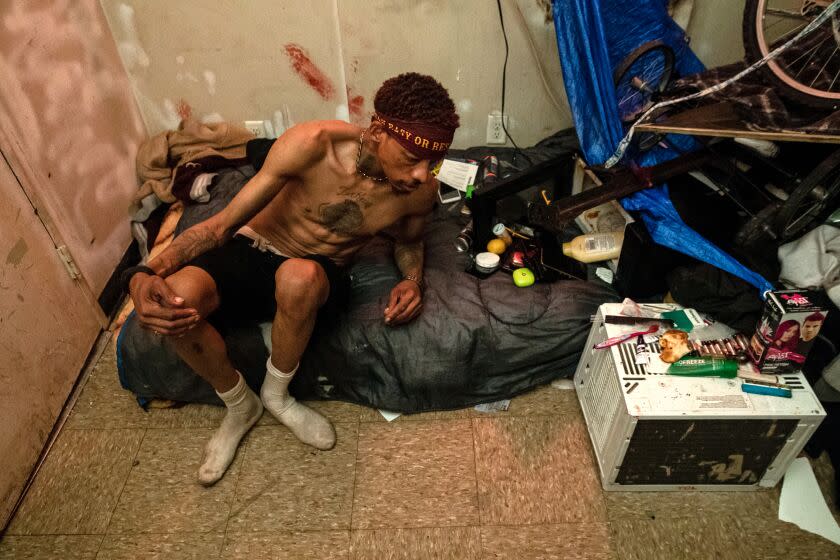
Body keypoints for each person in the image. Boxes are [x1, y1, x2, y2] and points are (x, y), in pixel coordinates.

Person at [123, 73, 459, 485]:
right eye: (411, 158)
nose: (424, 175)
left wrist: (412, 280)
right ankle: (239, 404)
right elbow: (220, 227)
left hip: (318, 276)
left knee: (298, 277)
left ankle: (276, 396)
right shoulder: (312, 145)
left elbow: (409, 243)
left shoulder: (418, 194)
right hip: (255, 249)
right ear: (376, 133)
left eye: (434, 163)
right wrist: (143, 273)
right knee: (175, 300)